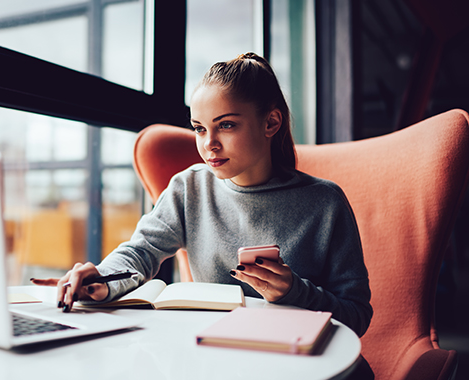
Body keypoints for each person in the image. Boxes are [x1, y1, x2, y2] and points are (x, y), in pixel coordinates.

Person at [32, 52, 373, 338]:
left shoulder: (325, 203)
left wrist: (294, 292)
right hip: (216, 355)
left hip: (300, 362)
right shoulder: (189, 187)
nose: (208, 144)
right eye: (199, 128)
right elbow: (140, 251)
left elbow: (357, 316)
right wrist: (101, 279)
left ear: (270, 123)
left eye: (226, 125)